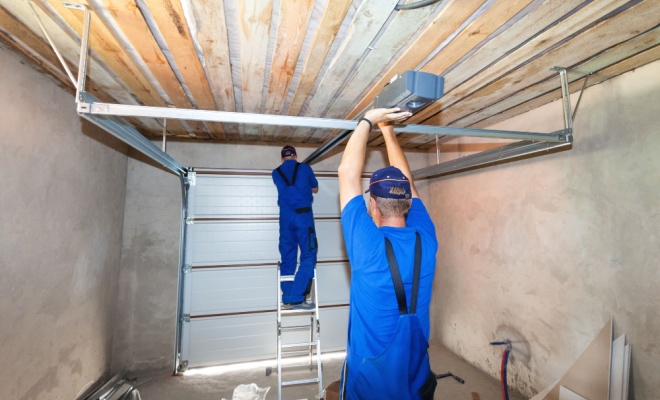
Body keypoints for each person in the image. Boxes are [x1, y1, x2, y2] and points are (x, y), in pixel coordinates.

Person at [337, 108, 438, 399]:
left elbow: (346, 173)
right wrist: (387, 131)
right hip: (415, 373)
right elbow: (408, 184)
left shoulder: (367, 247)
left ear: (373, 206)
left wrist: (369, 118)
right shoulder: (426, 238)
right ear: (408, 203)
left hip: (370, 382)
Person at [272, 145, 319, 309]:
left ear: (282, 158)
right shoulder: (305, 168)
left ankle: (287, 296)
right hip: (303, 217)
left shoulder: (275, 173)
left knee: (288, 256)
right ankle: (297, 296)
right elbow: (315, 187)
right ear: (296, 156)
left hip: (285, 219)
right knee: (309, 253)